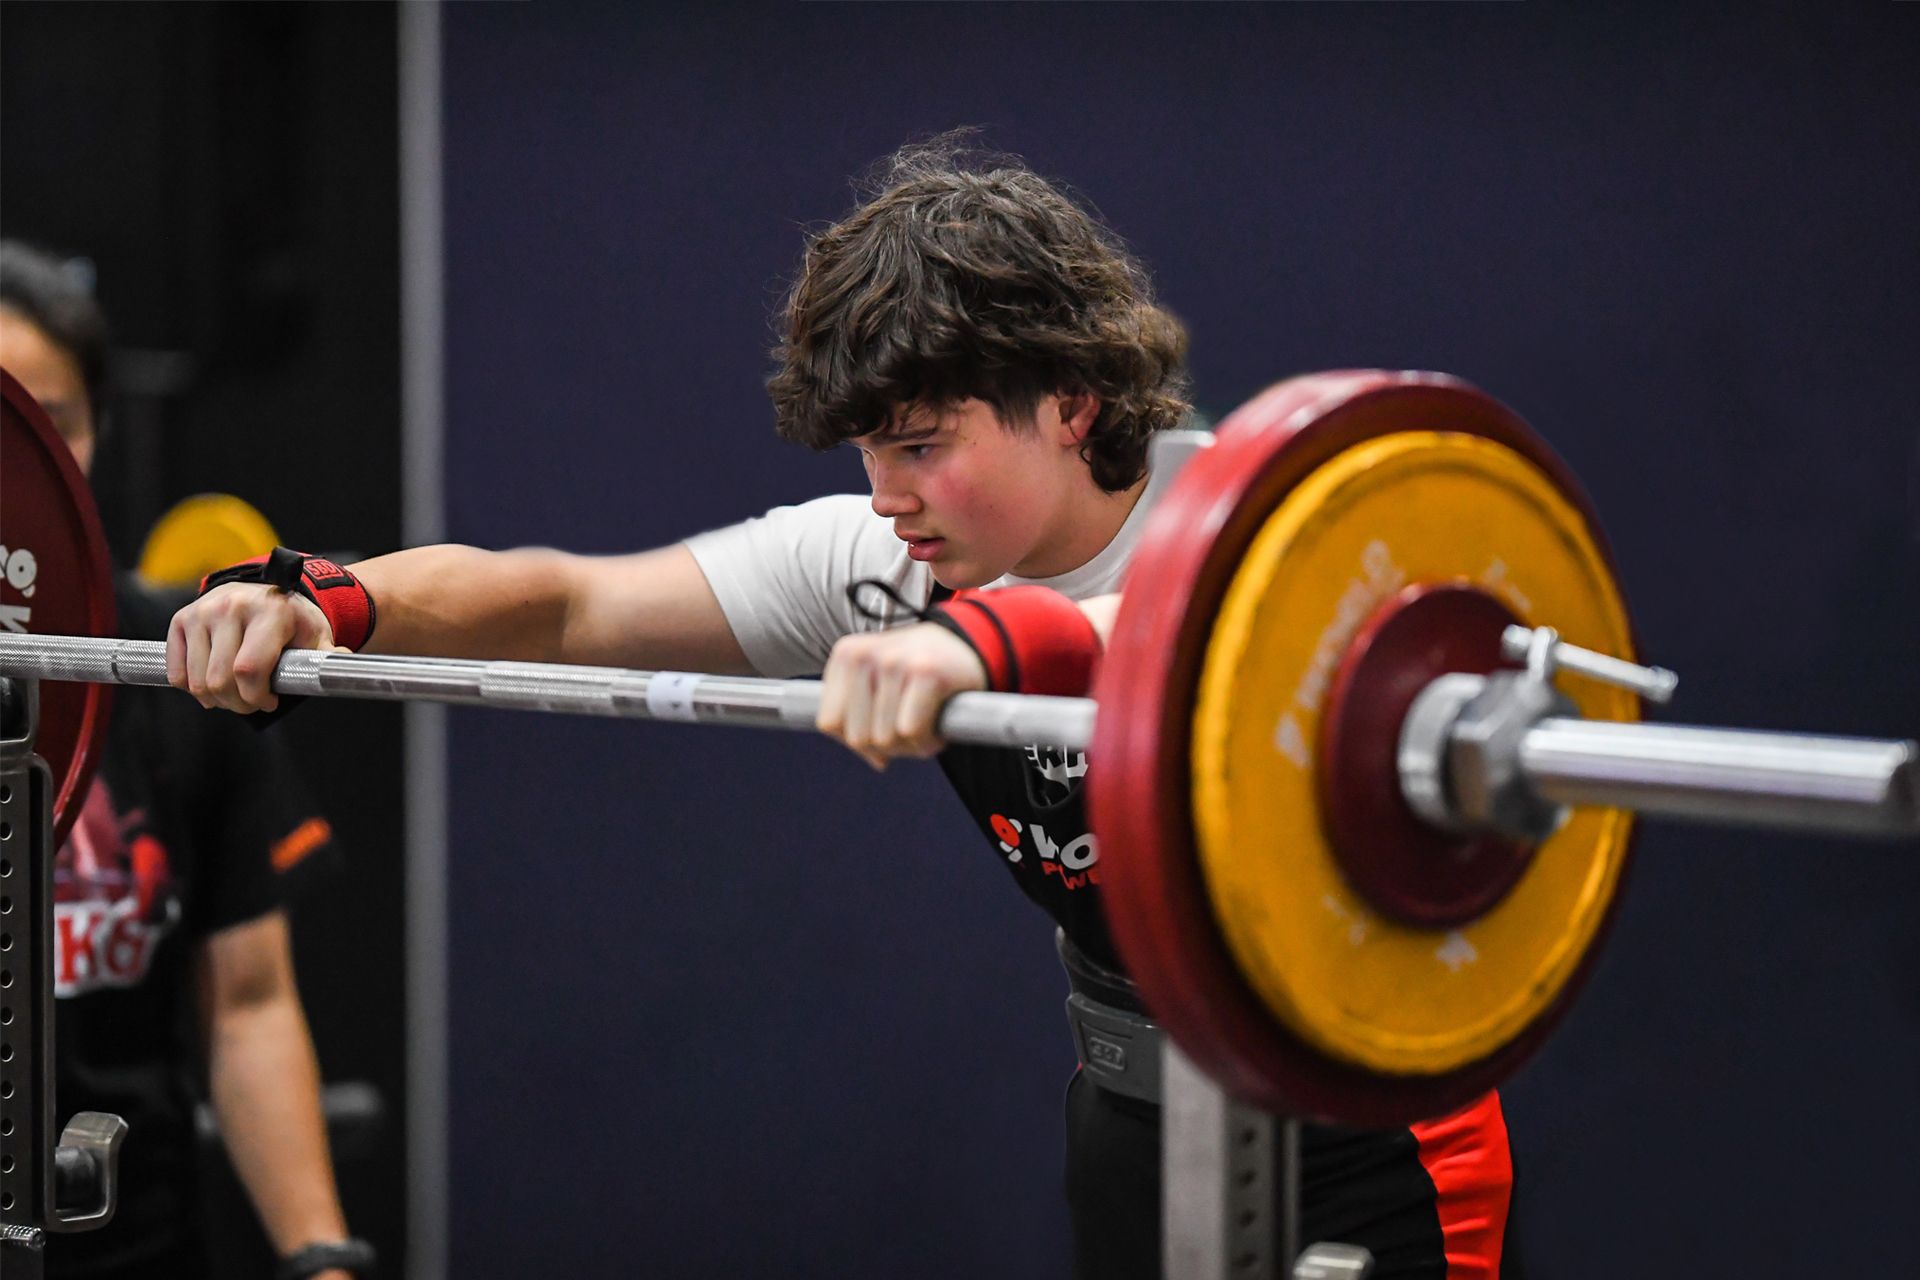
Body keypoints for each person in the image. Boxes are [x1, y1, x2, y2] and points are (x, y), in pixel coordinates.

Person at [166, 138, 1514, 1277]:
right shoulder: (892, 564)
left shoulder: (1259, 531)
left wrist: (980, 646)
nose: (886, 495)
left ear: (1071, 401)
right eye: (869, 451)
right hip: (1131, 1117)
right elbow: (571, 603)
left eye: (922, 445)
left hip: (1369, 1141)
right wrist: (325, 601)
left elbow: (1172, 636)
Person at [0, 241, 369, 1280]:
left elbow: (248, 1004)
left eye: (49, 424)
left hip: (135, 1241)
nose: (19, 458)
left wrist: (321, 1260)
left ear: (97, 431)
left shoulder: (179, 661)